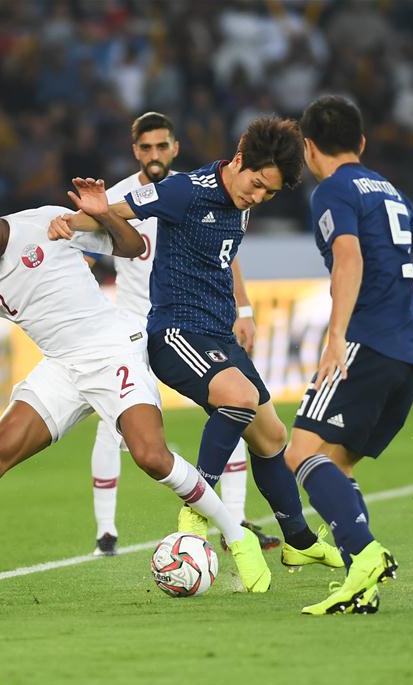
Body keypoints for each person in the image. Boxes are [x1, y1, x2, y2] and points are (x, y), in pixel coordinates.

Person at [0, 180, 272, 600]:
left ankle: (237, 538)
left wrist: (101, 214)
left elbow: (132, 247)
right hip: (61, 367)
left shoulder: (47, 223)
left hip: (113, 351)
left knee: (150, 457)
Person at [50, 117, 341, 575]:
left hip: (219, 334)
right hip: (175, 332)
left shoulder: (241, 200)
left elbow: (226, 260)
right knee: (240, 399)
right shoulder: (186, 189)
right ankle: (198, 509)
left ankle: (299, 541)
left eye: (269, 193)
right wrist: (70, 219)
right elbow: (114, 213)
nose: (258, 197)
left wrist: (242, 311)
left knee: (272, 438)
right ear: (240, 161)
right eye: (258, 185)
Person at [284, 95, 413, 615]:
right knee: (337, 463)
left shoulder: (332, 190)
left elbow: (348, 256)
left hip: (367, 341)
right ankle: (365, 582)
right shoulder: (392, 192)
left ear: (309, 148)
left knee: (299, 453)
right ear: (361, 142)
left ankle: (365, 554)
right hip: (405, 350)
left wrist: (336, 337)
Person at [85, 111, 279, 557]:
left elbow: (226, 254)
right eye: (146, 147)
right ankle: (106, 534)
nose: (154, 154)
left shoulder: (199, 190)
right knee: (113, 426)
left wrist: (243, 308)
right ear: (135, 151)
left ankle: (233, 517)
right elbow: (87, 256)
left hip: (193, 321)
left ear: (174, 148)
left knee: (231, 410)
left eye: (162, 146)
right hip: (133, 325)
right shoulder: (118, 197)